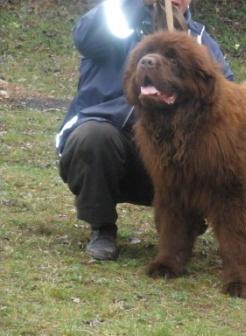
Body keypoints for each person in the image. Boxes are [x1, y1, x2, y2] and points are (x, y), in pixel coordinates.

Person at [55, 0, 234, 260]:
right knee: (93, 136)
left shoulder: (199, 40)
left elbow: (226, 97)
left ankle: (184, 223)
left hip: (168, 159)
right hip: (115, 146)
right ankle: (102, 228)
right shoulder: (119, 20)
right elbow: (87, 37)